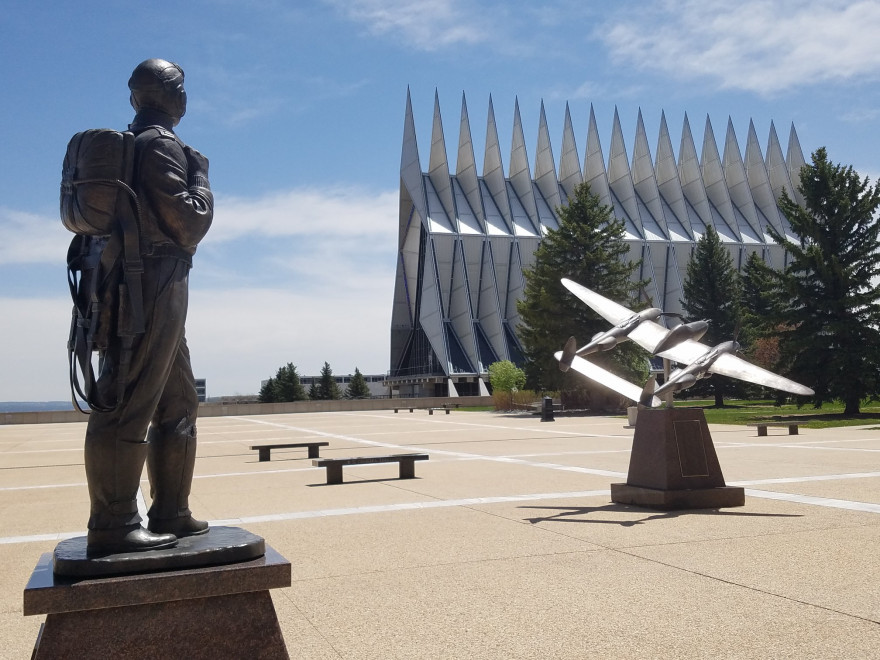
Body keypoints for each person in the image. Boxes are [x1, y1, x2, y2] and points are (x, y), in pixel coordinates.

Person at [84, 58, 213, 554]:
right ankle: (114, 523)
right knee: (128, 398)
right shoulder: (160, 146)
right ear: (173, 97)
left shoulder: (134, 143)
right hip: (152, 279)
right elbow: (189, 223)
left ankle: (171, 511)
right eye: (183, 90)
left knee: (179, 401)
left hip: (145, 278)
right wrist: (200, 177)